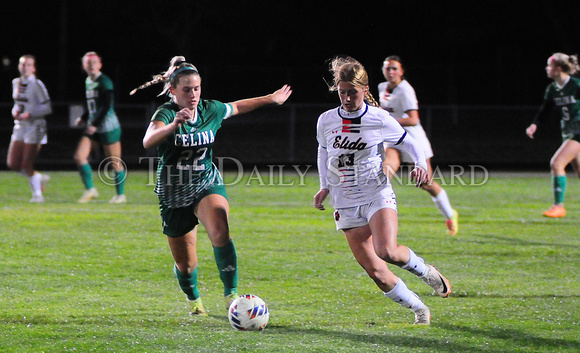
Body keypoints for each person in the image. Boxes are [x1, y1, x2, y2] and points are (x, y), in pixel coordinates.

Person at [138, 56, 292, 315]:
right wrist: (174, 124)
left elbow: (238, 106)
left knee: (220, 229)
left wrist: (271, 99)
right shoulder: (165, 113)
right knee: (186, 265)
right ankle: (194, 300)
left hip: (206, 182)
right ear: (174, 91)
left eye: (197, 88)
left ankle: (231, 297)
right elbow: (148, 140)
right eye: (187, 90)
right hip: (173, 192)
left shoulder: (211, 109)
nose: (193, 94)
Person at [313, 56, 451, 325]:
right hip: (344, 202)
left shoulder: (378, 118)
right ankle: (419, 308)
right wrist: (324, 186)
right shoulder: (326, 120)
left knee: (386, 250)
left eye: (352, 92)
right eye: (342, 92)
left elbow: (411, 143)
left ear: (364, 90)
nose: (347, 98)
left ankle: (426, 272)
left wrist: (421, 165)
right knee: (375, 271)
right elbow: (323, 151)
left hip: (376, 193)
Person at [378, 56, 459, 235]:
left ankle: (450, 214)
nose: (390, 72)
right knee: (384, 173)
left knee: (425, 182)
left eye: (394, 69)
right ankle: (377, 215)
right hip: (393, 137)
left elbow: (413, 119)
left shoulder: (406, 90)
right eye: (387, 68)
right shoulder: (382, 87)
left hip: (412, 138)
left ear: (401, 71)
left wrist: (388, 120)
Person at [526, 52, 580, 218]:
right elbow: (545, 110)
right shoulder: (552, 88)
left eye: (549, 66)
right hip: (568, 131)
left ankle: (558, 206)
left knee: (556, 164)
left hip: (578, 131)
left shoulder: (576, 85)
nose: (547, 69)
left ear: (558, 68)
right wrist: (535, 124)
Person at [73, 51, 127, 204]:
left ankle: (120, 195)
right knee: (79, 156)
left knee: (115, 161)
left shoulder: (105, 81)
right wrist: (83, 118)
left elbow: (106, 105)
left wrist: (94, 124)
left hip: (108, 126)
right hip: (93, 126)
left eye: (94, 63)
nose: (91, 66)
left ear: (100, 65)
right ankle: (90, 190)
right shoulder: (88, 81)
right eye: (88, 63)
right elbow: (94, 106)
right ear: (84, 66)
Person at [7, 55, 52, 203]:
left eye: (28, 65)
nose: (25, 68)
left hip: (35, 126)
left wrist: (30, 114)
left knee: (27, 163)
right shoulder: (16, 82)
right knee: (13, 164)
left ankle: (38, 195)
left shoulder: (37, 84)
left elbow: (47, 107)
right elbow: (17, 103)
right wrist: (15, 111)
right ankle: (38, 178)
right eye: (22, 65)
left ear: (34, 68)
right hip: (20, 126)